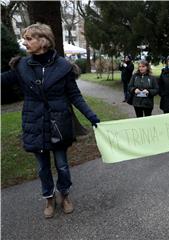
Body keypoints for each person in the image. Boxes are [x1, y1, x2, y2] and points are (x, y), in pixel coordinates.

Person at [1, 23, 100, 218]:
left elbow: (75, 96)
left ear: (44, 40)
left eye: (29, 38)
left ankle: (64, 195)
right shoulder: (21, 66)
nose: (24, 42)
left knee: (62, 165)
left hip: (59, 123)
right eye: (25, 38)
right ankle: (48, 198)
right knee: (42, 167)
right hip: (34, 123)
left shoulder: (63, 66)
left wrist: (92, 116)